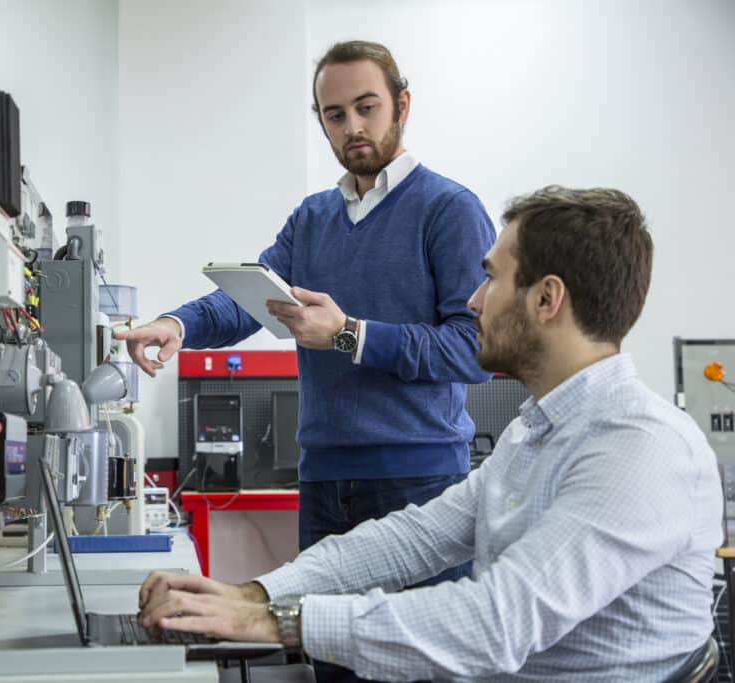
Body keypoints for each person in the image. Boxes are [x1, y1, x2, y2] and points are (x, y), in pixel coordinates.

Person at [136, 186, 723, 682]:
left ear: (547, 299)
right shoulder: (535, 431)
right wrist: (256, 594)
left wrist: (278, 622)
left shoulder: (638, 447)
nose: (472, 300)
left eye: (490, 278)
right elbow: (414, 539)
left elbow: (496, 622)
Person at [116, 40, 493, 595]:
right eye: (335, 115)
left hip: (419, 482)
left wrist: (348, 335)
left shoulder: (449, 209)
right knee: (324, 641)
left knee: (418, 645)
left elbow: (475, 349)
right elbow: (251, 298)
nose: (352, 127)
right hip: (322, 481)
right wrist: (177, 325)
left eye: (367, 107)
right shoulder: (313, 216)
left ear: (402, 105)